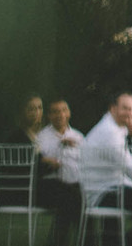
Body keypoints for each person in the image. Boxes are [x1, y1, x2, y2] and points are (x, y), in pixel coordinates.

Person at [81, 91, 132, 236]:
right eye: (125, 108)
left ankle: (118, 241)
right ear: (113, 108)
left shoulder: (113, 127)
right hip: (102, 193)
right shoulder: (110, 133)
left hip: (107, 187)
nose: (130, 113)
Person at [35, 98, 83, 246]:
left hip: (76, 185)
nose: (60, 115)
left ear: (69, 113)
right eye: (55, 112)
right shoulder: (41, 137)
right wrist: (59, 146)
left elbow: (88, 162)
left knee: (78, 198)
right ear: (49, 116)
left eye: (63, 110)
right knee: (73, 199)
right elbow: (38, 163)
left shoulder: (78, 136)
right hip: (50, 185)